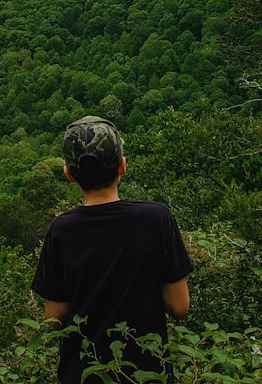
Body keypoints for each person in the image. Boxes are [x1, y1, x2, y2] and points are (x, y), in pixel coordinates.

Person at [31, 115, 193, 384]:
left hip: (82, 375)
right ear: (122, 166)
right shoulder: (155, 219)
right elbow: (179, 306)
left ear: (69, 174)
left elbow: (53, 319)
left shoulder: (61, 230)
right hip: (147, 374)